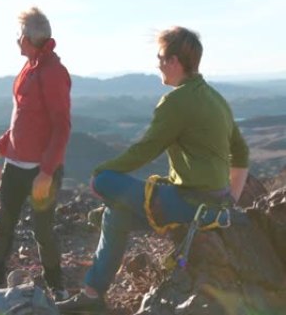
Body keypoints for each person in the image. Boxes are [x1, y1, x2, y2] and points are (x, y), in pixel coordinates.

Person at [56, 26, 250, 314]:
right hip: (212, 204)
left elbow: (146, 150)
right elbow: (242, 152)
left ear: (174, 62)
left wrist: (100, 174)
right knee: (116, 213)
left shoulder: (177, 101)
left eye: (160, 57)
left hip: (189, 203)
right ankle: (93, 293)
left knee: (108, 181)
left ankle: (93, 293)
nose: (157, 63)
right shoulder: (216, 99)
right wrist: (229, 200)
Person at [0, 7, 72, 301]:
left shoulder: (53, 72)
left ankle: (57, 287)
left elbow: (62, 127)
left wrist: (46, 173)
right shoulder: (31, 67)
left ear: (29, 39)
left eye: (19, 36)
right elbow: (23, 121)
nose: (16, 41)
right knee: (2, 224)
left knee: (43, 231)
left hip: (39, 171)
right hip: (15, 166)